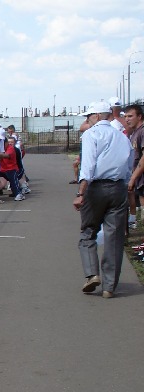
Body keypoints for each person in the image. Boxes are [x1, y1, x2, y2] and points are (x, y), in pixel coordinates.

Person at [74, 100, 133, 298]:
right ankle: (109, 286)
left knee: (88, 231)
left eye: (89, 116)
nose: (88, 120)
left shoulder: (91, 134)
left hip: (96, 187)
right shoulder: (122, 137)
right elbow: (128, 166)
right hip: (118, 187)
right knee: (114, 237)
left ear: (97, 116)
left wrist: (81, 192)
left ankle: (92, 274)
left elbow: (88, 165)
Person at [124, 104, 144, 229]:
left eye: (130, 116)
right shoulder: (135, 132)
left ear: (139, 116)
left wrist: (132, 178)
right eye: (125, 116)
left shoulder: (142, 131)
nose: (127, 119)